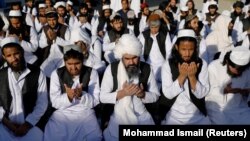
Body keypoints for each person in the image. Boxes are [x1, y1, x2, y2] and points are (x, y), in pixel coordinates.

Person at [100, 34, 160, 141]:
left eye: (134, 58)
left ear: (139, 56)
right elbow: (103, 97)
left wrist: (143, 94)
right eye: (127, 58)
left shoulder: (146, 68)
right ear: (121, 56)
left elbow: (155, 95)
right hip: (119, 117)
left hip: (142, 117)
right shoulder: (111, 69)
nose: (131, 62)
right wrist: (123, 93)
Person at [43, 44, 102, 141]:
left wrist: (82, 95)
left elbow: (95, 101)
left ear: (82, 61)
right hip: (62, 112)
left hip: (86, 112)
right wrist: (68, 97)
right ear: (64, 62)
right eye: (69, 64)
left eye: (77, 63)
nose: (73, 68)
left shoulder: (92, 72)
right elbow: (54, 102)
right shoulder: (56, 74)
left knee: (93, 137)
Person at [0, 37, 48, 141]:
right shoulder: (1, 74)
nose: (14, 58)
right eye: (9, 56)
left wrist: (27, 124)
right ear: (4, 57)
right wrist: (9, 125)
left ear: (22, 52)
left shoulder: (38, 73)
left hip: (31, 125)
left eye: (16, 53)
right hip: (5, 125)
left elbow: (42, 103)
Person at [160, 29, 211, 124]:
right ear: (176, 47)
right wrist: (182, 76)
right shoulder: (168, 64)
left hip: (196, 113)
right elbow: (168, 94)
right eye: (183, 49)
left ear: (195, 48)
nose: (187, 54)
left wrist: (192, 77)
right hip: (174, 114)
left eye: (190, 50)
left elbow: (202, 94)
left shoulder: (202, 63)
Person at [206, 47, 250, 124]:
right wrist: (224, 90)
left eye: (241, 70)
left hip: (239, 106)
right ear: (227, 61)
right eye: (234, 68)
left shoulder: (247, 71)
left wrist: (245, 92)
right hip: (217, 107)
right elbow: (207, 91)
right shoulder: (213, 67)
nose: (237, 72)